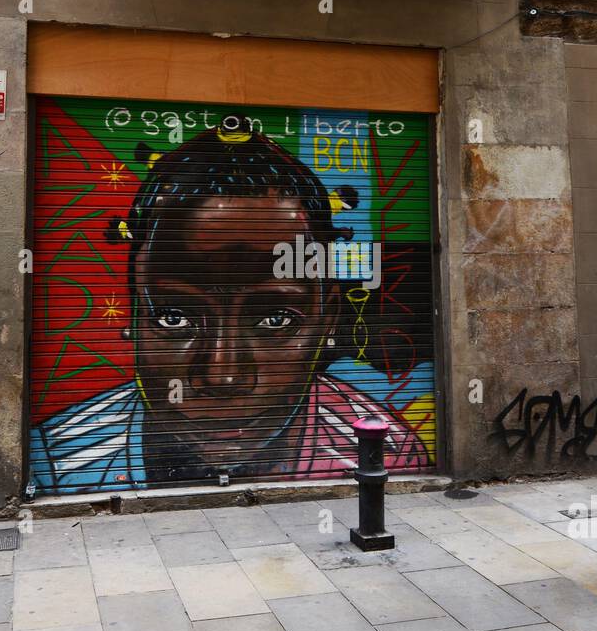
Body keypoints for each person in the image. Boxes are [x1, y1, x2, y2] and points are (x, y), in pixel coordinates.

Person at [28, 115, 429, 494]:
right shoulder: (57, 464)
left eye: (276, 319)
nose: (222, 375)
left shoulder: (384, 451)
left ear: (328, 320)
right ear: (135, 316)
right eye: (174, 317)